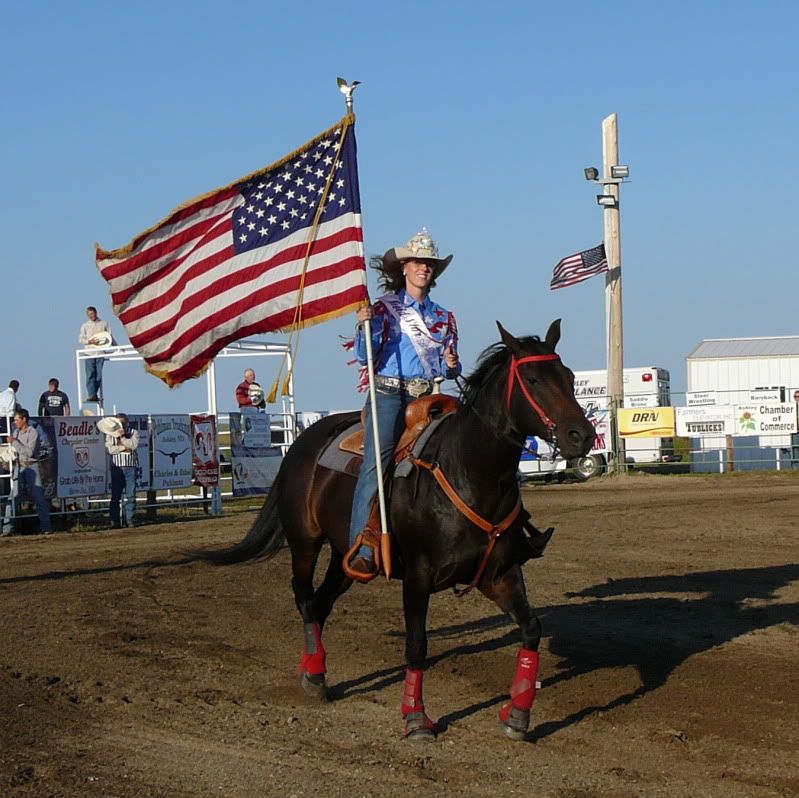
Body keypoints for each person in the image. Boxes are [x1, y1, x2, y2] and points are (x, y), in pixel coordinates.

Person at [347, 228, 461, 576]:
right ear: (404, 268)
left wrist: (453, 366)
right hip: (388, 392)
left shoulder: (444, 317)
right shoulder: (383, 309)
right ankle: (362, 543)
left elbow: (448, 366)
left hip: (426, 394)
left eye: (429, 264)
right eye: (418, 262)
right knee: (376, 463)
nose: (424, 268)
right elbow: (365, 356)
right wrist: (365, 325)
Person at [7, 409, 52, 535]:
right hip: (19, 465)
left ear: (24, 419)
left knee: (38, 498)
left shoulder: (33, 433)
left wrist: (14, 442)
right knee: (13, 497)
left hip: (31, 465)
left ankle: (46, 527)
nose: (15, 422)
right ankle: (7, 528)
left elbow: (29, 452)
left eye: (17, 419)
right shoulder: (16, 432)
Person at [104, 414, 140, 529]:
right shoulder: (110, 433)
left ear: (126, 423)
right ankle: (115, 521)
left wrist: (123, 439)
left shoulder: (134, 432)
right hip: (116, 467)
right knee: (115, 496)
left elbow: (133, 446)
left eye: (123, 423)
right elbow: (109, 449)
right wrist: (124, 448)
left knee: (131, 495)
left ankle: (130, 520)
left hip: (130, 467)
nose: (121, 426)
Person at [78, 306, 113, 402]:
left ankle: (94, 394)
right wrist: (90, 341)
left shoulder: (104, 324)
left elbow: (109, 337)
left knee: (98, 375)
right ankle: (91, 394)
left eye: (92, 314)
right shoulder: (85, 326)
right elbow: (81, 339)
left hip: (100, 352)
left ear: (96, 313)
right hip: (89, 352)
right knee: (90, 374)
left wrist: (115, 348)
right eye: (89, 314)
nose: (91, 316)